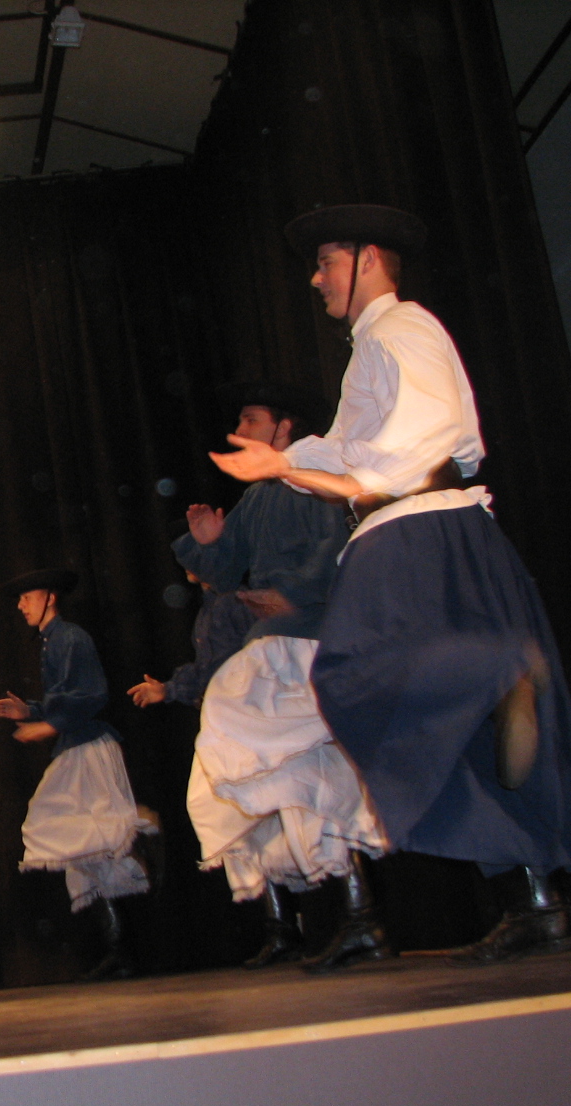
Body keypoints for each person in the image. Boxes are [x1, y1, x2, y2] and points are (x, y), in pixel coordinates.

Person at [212, 204, 571, 964]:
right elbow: (347, 447)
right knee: (463, 728)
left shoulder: (402, 329)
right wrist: (285, 466)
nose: (316, 278)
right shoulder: (374, 347)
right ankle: (533, 898)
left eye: (327, 261)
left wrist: (307, 472)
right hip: (427, 531)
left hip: (417, 532)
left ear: (369, 259)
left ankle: (497, 666)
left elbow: (419, 439)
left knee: (356, 677)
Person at [173, 383, 383, 971]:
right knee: (259, 774)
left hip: (313, 644)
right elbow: (225, 570)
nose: (240, 430)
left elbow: (337, 549)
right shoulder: (256, 499)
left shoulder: (313, 481)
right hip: (271, 647)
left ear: (285, 428)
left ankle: (360, 916)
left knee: (315, 773)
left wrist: (290, 595)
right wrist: (208, 545)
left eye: (251, 419)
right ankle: (308, 921)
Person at [0, 570, 153, 980]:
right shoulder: (53, 641)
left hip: (88, 748)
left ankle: (136, 827)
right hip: (76, 746)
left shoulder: (70, 638)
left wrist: (48, 725)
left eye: (27, 597)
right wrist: (32, 711)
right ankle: (118, 949)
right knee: (83, 847)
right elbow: (66, 699)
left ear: (50, 597)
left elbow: (92, 694)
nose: (21, 605)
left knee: (61, 826)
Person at [126, 572, 254, 711]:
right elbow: (206, 669)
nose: (186, 564)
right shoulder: (210, 606)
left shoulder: (235, 600)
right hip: (227, 708)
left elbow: (257, 657)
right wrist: (167, 690)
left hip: (244, 708)